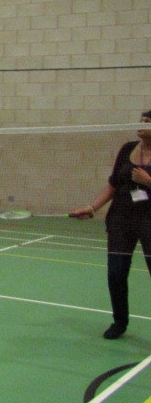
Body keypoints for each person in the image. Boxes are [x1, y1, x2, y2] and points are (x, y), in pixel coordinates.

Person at [69, 110, 151, 339]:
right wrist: (92, 207)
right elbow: (112, 185)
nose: (142, 124)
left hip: (149, 219)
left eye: (148, 121)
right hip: (121, 218)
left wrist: (148, 181)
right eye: (141, 120)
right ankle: (119, 322)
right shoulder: (127, 149)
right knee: (116, 273)